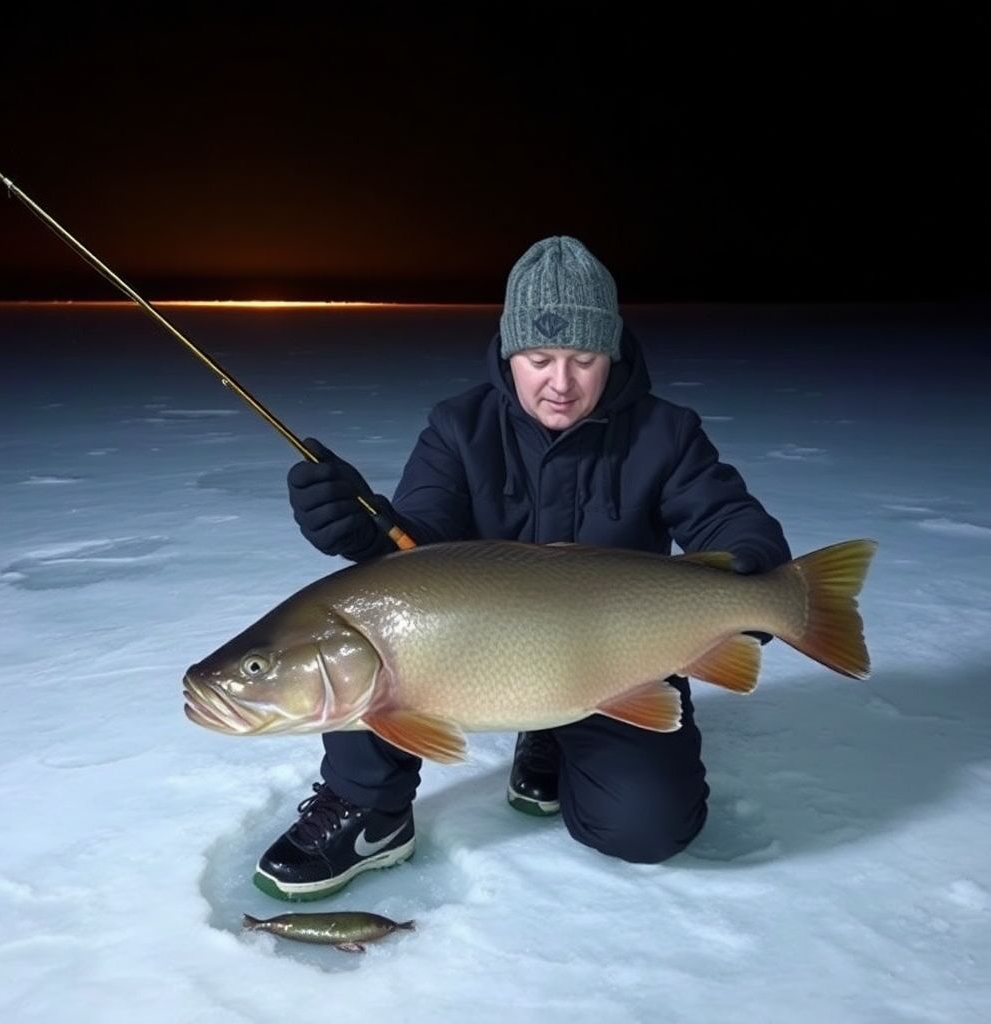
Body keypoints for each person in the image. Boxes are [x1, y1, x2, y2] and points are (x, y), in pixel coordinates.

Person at [254, 236, 792, 901]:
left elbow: (732, 521)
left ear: (612, 354)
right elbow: (421, 535)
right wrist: (361, 532)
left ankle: (554, 732)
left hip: (615, 659)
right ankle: (370, 810)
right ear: (510, 353)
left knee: (645, 829)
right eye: (539, 359)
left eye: (584, 359)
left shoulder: (666, 433)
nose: (560, 384)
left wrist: (751, 577)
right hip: (471, 651)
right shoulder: (459, 428)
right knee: (369, 639)